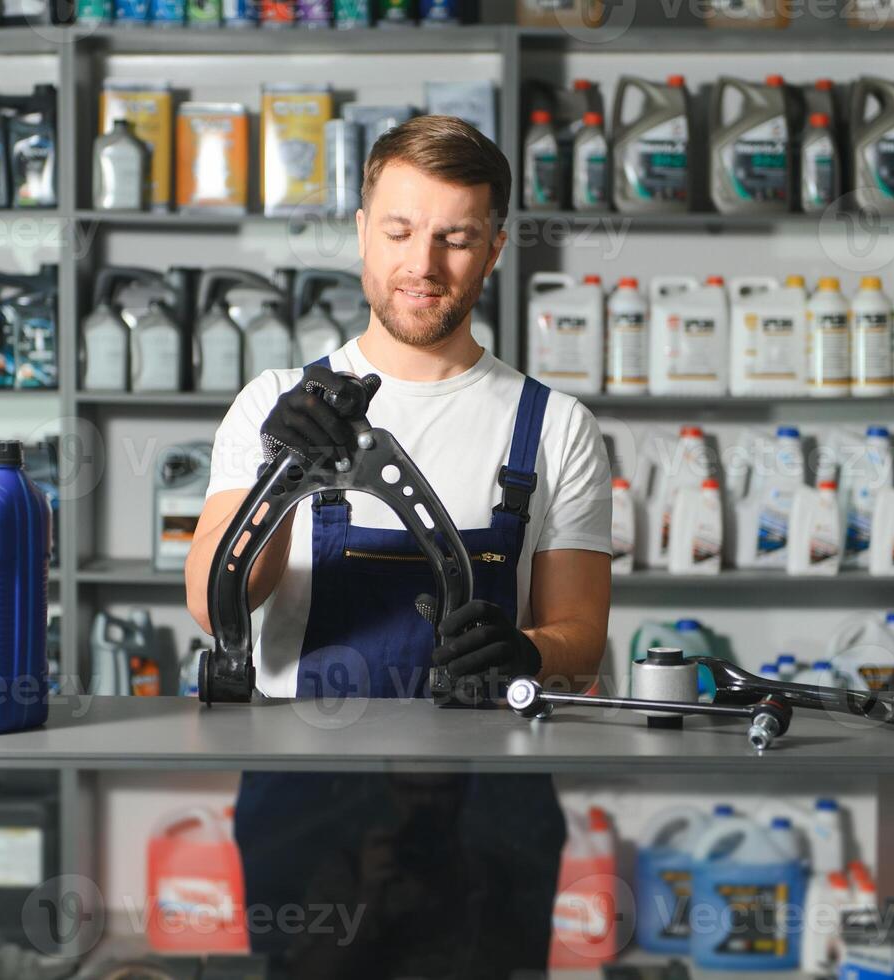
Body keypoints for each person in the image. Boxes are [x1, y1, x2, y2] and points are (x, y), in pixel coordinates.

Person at [185, 114, 613, 978]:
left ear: (493, 248)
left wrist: (527, 647)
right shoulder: (272, 401)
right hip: (307, 799)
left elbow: (581, 644)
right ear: (361, 234)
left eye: (456, 238)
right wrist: (281, 470)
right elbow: (211, 599)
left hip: (491, 806)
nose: (424, 264)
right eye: (400, 231)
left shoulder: (555, 426)